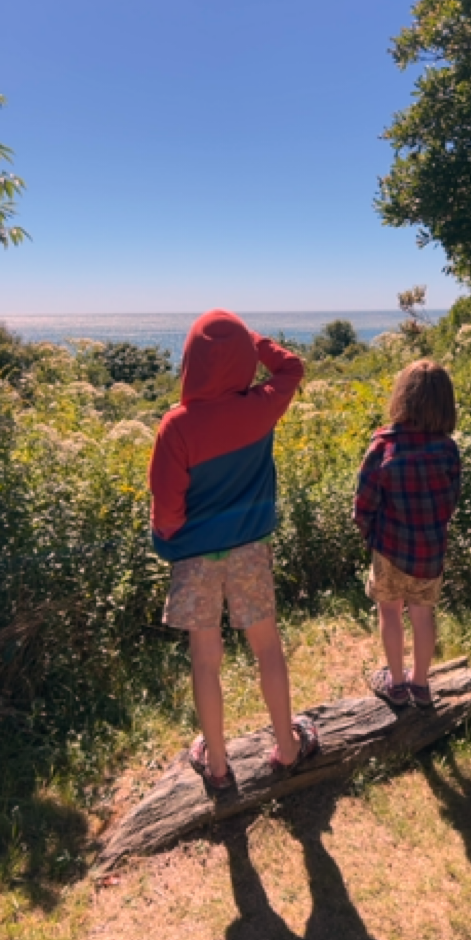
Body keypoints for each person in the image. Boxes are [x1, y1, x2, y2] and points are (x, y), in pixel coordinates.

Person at [150, 310, 320, 792]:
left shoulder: (175, 426)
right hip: (250, 551)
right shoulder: (261, 405)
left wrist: (164, 537)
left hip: (197, 557)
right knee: (267, 647)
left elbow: (166, 511)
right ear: (245, 357)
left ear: (189, 360)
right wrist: (253, 339)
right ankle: (288, 747)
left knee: (205, 658)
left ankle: (218, 766)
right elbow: (292, 368)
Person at [354, 360, 461, 710]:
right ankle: (420, 684)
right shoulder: (448, 450)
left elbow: (363, 504)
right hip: (430, 552)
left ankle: (396, 684)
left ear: (402, 397)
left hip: (389, 548)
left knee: (389, 614)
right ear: (446, 403)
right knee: (423, 615)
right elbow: (450, 502)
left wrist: (371, 535)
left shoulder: (383, 446)